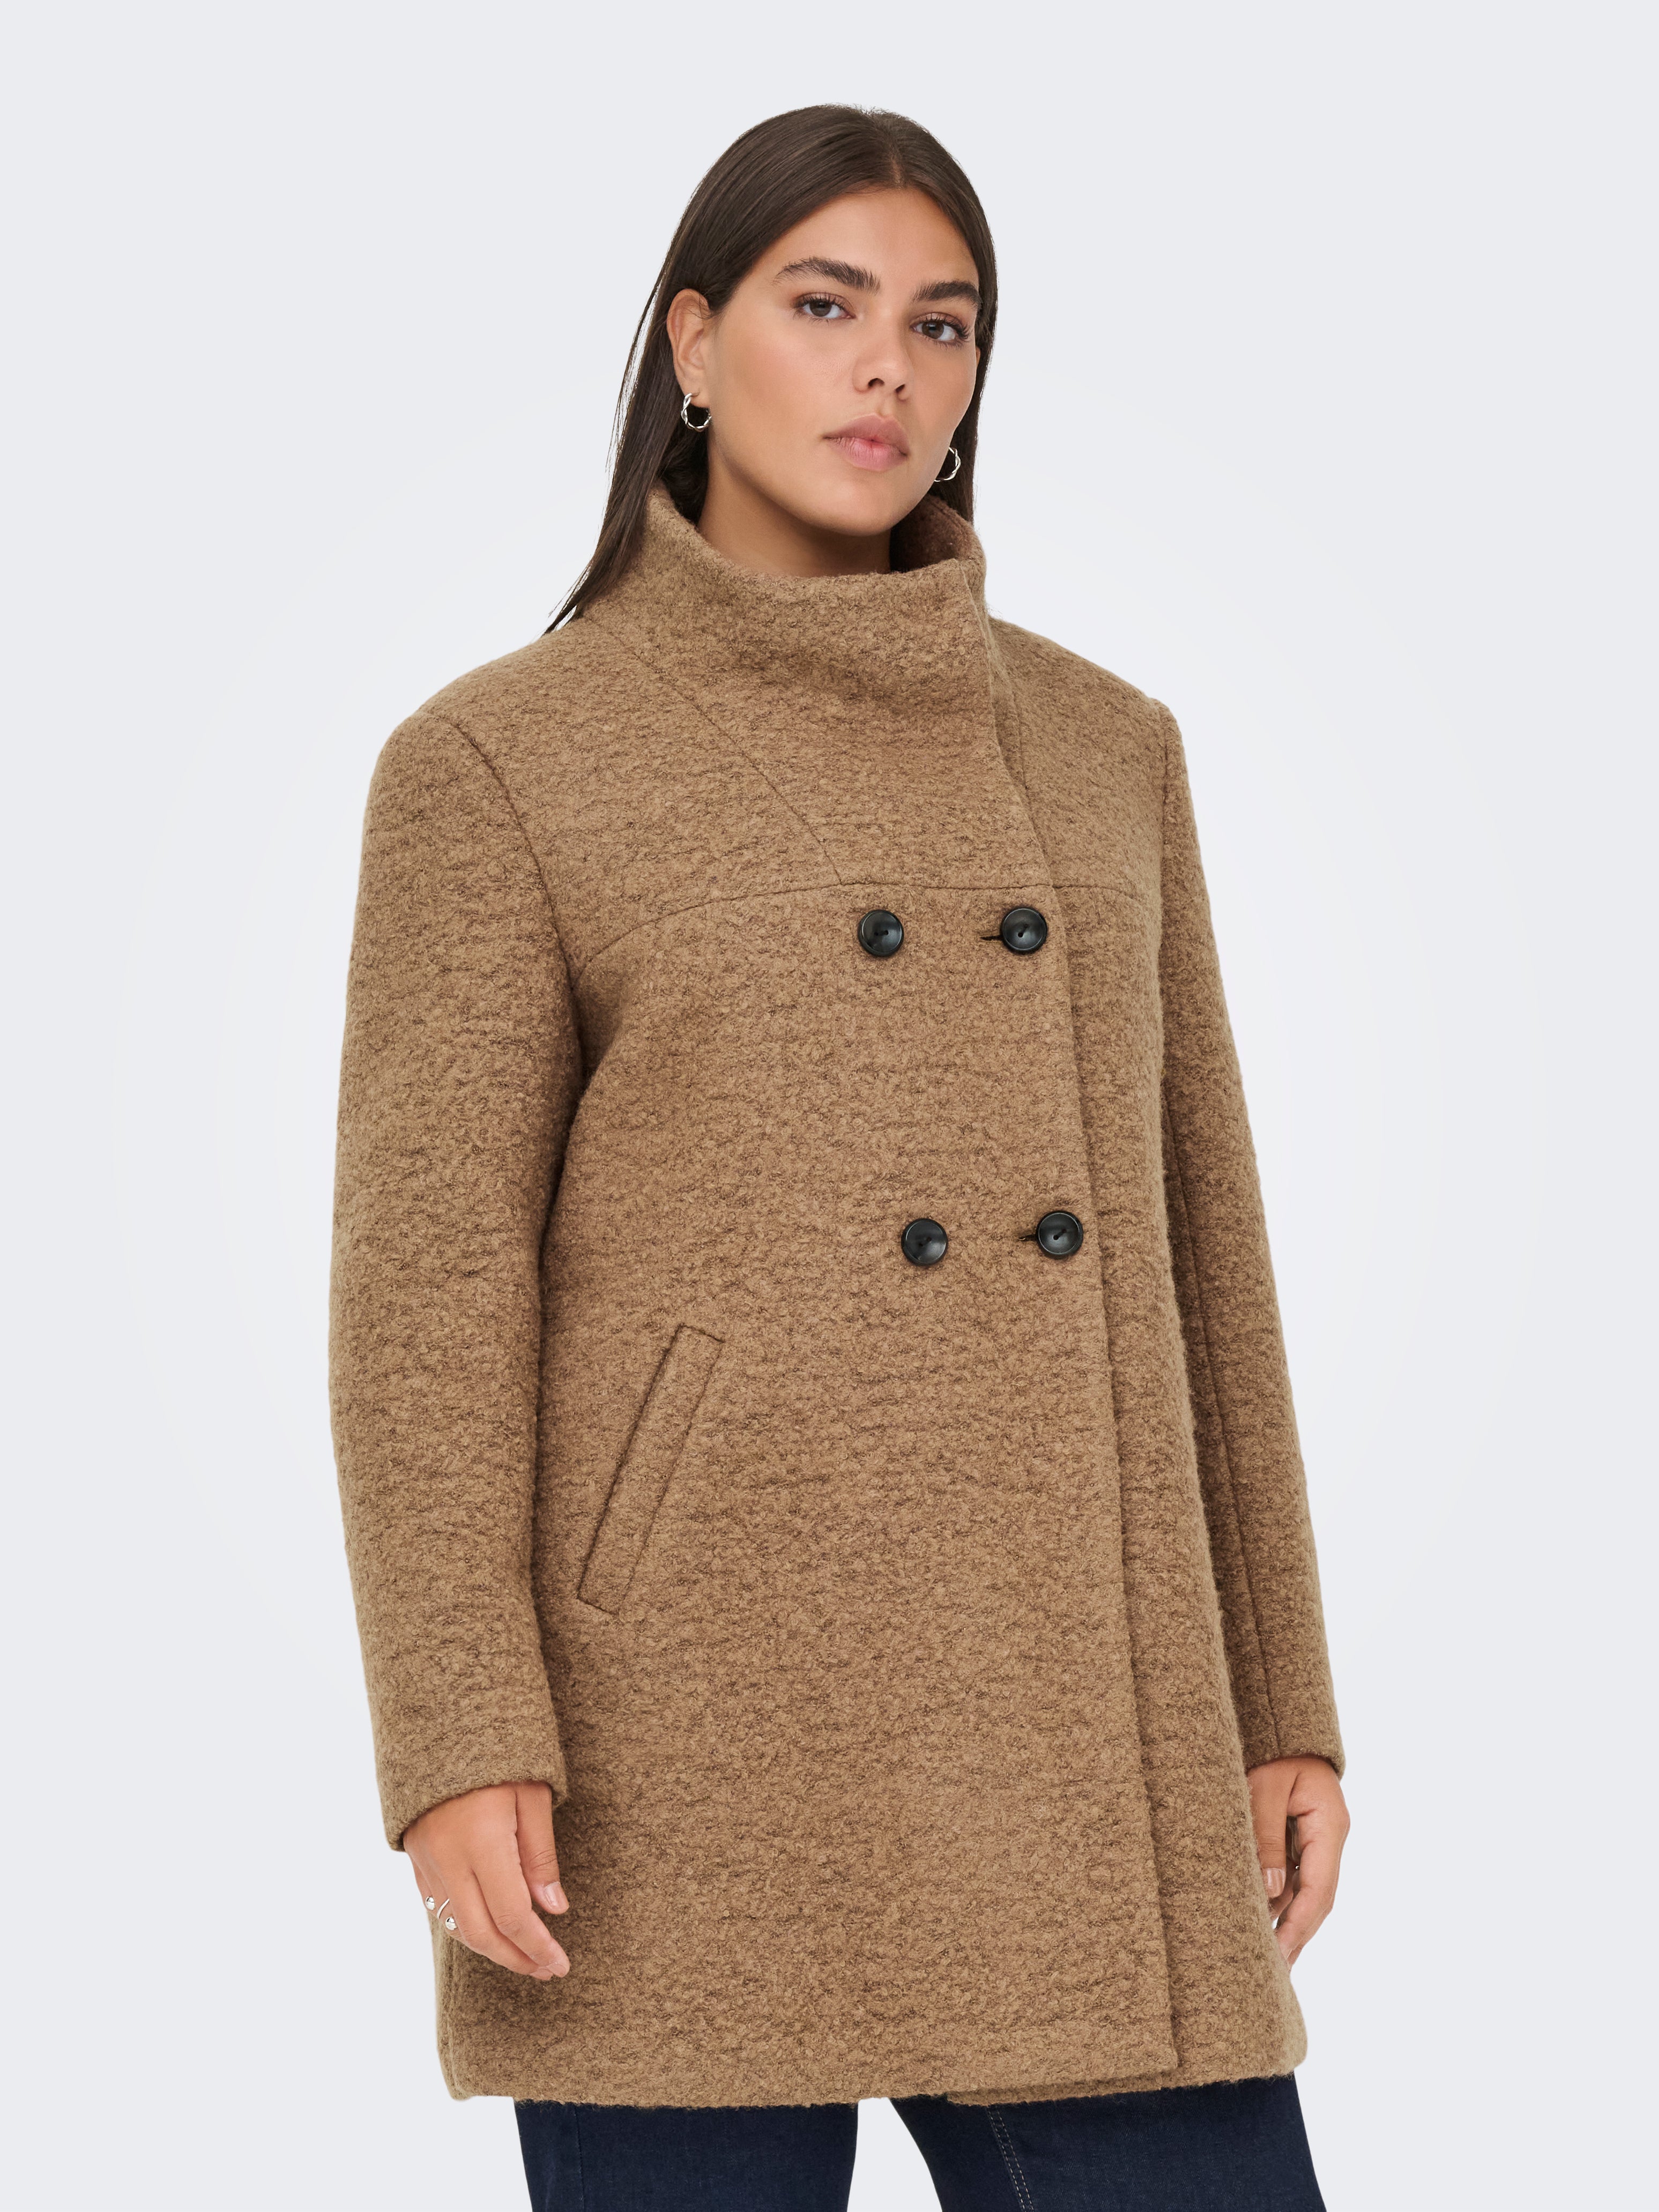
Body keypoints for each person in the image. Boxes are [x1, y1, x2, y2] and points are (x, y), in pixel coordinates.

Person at [329, 103, 1350, 2212]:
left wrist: (1280, 1695)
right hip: (680, 1730)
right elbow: (427, 1295)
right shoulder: (499, 763)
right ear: (694, 343)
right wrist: (457, 1729)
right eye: (826, 305)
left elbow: (1206, 1248)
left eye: (944, 324)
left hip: (1086, 1716)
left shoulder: (1106, 747)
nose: (891, 366)